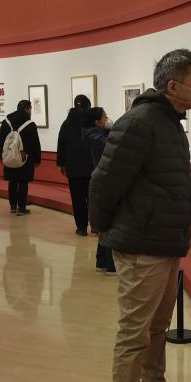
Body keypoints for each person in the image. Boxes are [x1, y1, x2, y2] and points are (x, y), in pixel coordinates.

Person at [89, 48, 191, 382]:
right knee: (134, 335)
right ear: (173, 86)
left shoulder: (169, 122)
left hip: (163, 242)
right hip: (141, 246)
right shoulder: (140, 122)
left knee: (157, 328)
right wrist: (103, 229)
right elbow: (105, 181)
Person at [82, 106, 116, 275]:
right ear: (97, 122)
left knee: (105, 224)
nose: (107, 119)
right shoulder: (95, 137)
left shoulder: (94, 134)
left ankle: (102, 262)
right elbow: (111, 148)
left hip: (102, 181)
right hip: (105, 182)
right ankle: (110, 264)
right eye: (104, 117)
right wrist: (114, 131)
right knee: (109, 224)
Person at [57, 94, 93, 236]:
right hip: (91, 165)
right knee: (93, 197)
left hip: (73, 167)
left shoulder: (66, 123)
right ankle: (95, 226)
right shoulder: (91, 122)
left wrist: (62, 164)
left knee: (77, 198)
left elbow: (61, 144)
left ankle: (82, 227)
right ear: (88, 105)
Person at [0, 99, 41, 216]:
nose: (31, 111)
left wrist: (2, 156)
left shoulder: (6, 122)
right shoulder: (30, 124)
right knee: (23, 182)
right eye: (30, 109)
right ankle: (22, 208)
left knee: (12, 181)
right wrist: (37, 159)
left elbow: (1, 141)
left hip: (9, 156)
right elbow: (35, 143)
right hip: (24, 158)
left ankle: (13, 206)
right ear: (27, 109)